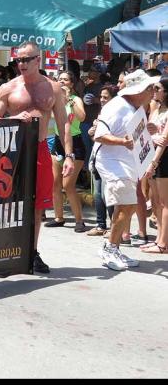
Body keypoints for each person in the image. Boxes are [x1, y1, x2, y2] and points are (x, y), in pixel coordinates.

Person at [0, 41, 75, 274]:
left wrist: (69, 155)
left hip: (40, 149)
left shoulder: (53, 88)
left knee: (37, 206)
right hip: (13, 151)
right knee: (7, 203)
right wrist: (13, 119)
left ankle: (32, 251)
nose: (22, 64)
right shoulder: (8, 88)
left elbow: (64, 124)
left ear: (38, 59)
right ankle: (3, 250)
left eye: (26, 59)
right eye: (18, 60)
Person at [94, 69, 159, 271]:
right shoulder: (117, 107)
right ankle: (110, 249)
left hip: (126, 162)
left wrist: (146, 130)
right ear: (138, 90)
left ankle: (113, 247)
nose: (153, 91)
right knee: (126, 206)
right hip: (112, 162)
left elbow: (132, 133)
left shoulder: (135, 107)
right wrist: (122, 141)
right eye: (150, 88)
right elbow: (99, 135)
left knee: (128, 207)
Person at [44, 71, 88, 232]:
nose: (62, 82)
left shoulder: (76, 99)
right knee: (55, 183)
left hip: (75, 143)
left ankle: (79, 220)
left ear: (72, 83)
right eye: (59, 79)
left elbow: (82, 117)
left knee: (68, 185)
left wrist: (69, 100)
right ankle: (59, 217)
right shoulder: (54, 99)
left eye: (65, 79)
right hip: (58, 142)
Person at [140, 76, 168, 254]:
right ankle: (159, 239)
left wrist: (153, 162)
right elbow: (150, 132)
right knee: (156, 202)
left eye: (157, 88)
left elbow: (164, 140)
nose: (154, 91)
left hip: (162, 158)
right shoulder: (156, 109)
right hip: (153, 155)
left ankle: (164, 244)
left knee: (165, 203)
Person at [86, 84, 118, 236]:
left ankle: (114, 227)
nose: (102, 100)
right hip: (97, 155)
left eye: (106, 97)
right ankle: (100, 225)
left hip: (110, 159)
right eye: (101, 97)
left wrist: (98, 132)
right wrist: (92, 132)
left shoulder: (117, 114)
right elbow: (97, 138)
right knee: (98, 194)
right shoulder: (101, 113)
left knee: (108, 194)